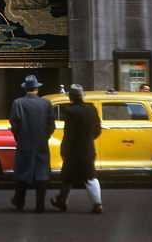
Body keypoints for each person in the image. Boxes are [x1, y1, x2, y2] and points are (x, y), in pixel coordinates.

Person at [50, 84, 103, 214]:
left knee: (67, 176)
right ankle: (97, 204)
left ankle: (62, 201)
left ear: (71, 98)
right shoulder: (92, 109)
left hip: (73, 151)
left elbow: (69, 134)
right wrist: (88, 139)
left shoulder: (70, 111)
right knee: (90, 176)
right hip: (88, 148)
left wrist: (64, 150)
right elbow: (98, 130)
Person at [9, 74, 55, 213]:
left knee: (22, 174)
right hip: (41, 142)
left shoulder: (17, 103)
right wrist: (45, 136)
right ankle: (40, 205)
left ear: (25, 89)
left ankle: (19, 201)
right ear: (37, 89)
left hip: (24, 142)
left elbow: (14, 123)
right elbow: (51, 125)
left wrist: (19, 138)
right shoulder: (46, 103)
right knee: (41, 175)